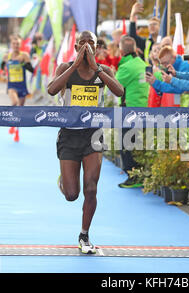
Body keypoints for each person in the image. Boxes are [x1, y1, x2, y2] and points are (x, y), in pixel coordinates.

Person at [47, 31, 124, 254]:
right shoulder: (65, 68)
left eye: (92, 42)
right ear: (76, 46)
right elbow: (51, 90)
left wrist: (96, 67)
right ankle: (64, 180)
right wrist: (75, 66)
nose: (88, 46)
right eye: (83, 42)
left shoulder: (103, 71)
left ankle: (84, 234)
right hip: (69, 135)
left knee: (91, 189)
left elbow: (119, 92)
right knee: (72, 194)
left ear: (97, 47)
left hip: (93, 135)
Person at [115, 36, 150, 188]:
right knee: (137, 144)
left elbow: (114, 87)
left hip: (128, 110)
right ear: (136, 49)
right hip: (144, 108)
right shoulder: (143, 64)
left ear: (121, 50)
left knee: (126, 144)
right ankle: (139, 175)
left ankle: (133, 177)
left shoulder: (126, 68)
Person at [1, 35, 35, 142]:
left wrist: (23, 63)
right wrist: (3, 72)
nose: (16, 46)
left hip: (22, 86)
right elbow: (1, 67)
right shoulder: (7, 56)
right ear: (11, 45)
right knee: (14, 102)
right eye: (14, 44)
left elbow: (32, 70)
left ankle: (17, 132)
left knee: (20, 110)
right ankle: (11, 124)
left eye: (18, 44)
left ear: (20, 45)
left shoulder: (24, 55)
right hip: (12, 86)